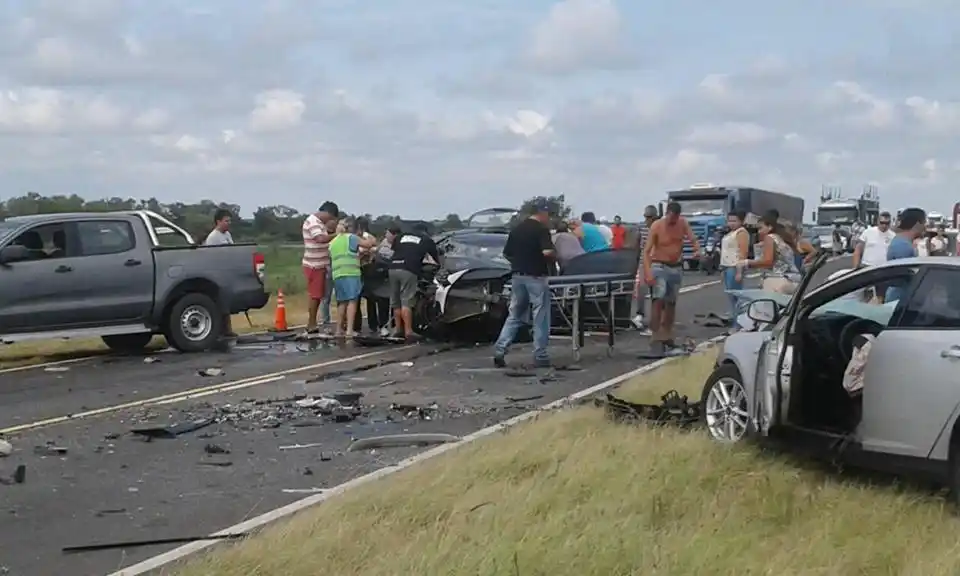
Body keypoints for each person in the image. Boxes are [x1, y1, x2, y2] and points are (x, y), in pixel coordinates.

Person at [493, 200, 555, 368]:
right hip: (536, 276)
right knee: (540, 315)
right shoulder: (541, 230)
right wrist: (553, 259)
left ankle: (500, 349)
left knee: (515, 315)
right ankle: (540, 355)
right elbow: (547, 252)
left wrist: (519, 262)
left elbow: (507, 253)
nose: (549, 217)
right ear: (542, 213)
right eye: (548, 214)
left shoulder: (517, 229)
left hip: (517, 277)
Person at [643, 202, 701, 356]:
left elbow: (693, 239)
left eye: (675, 219)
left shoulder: (682, 223)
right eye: (670, 219)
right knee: (658, 300)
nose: (672, 222)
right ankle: (655, 337)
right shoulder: (657, 226)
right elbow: (647, 252)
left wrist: (697, 249)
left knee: (671, 303)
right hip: (659, 265)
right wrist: (648, 272)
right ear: (666, 214)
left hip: (675, 266)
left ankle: (667, 335)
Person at [388, 222, 439, 341]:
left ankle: (397, 329)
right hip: (409, 269)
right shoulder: (426, 239)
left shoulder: (401, 236)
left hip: (392, 267)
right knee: (407, 300)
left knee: (396, 301)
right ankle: (408, 331)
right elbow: (436, 259)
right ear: (425, 231)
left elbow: (396, 250)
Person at [329, 220, 378, 338]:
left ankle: (339, 329)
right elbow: (369, 244)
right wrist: (368, 236)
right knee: (352, 301)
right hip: (351, 273)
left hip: (337, 274)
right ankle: (350, 330)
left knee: (342, 302)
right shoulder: (351, 238)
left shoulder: (333, 242)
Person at [737, 213, 800, 294]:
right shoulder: (781, 238)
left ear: (770, 227)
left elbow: (768, 261)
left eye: (760, 228)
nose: (759, 232)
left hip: (777, 280)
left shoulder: (769, 238)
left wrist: (746, 262)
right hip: (794, 280)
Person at [301, 201, 339, 334]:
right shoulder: (313, 222)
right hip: (314, 265)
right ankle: (311, 323)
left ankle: (312, 323)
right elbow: (320, 239)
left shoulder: (319, 223)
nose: (329, 221)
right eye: (330, 218)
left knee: (318, 295)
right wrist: (337, 234)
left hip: (320, 264)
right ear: (326, 213)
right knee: (315, 295)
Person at [204, 209, 237, 339]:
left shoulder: (227, 234)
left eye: (229, 221)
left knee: (226, 302)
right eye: (226, 221)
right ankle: (220, 330)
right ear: (218, 221)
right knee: (219, 302)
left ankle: (227, 329)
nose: (228, 223)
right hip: (217, 273)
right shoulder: (213, 237)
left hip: (227, 271)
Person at [885, 208, 927, 303]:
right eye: (924, 222)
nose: (925, 226)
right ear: (918, 224)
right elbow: (903, 275)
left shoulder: (904, 242)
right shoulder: (903, 245)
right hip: (898, 299)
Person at [630, 205, 659, 331]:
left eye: (650, 218)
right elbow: (636, 246)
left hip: (657, 262)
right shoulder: (641, 229)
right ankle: (640, 314)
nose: (648, 220)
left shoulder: (659, 228)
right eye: (646, 217)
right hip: (643, 262)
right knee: (641, 289)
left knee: (656, 292)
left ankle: (656, 318)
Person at [719, 210, 750, 327]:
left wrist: (739, 272)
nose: (731, 223)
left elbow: (743, 253)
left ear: (741, 221)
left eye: (734, 221)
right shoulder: (729, 233)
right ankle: (736, 322)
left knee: (736, 297)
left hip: (734, 267)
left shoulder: (741, 233)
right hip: (727, 267)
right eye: (729, 220)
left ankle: (738, 324)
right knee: (731, 297)